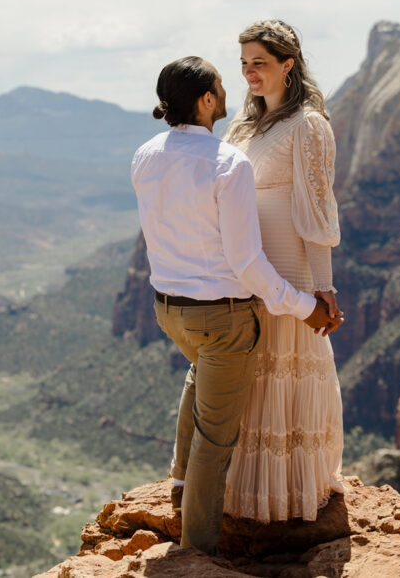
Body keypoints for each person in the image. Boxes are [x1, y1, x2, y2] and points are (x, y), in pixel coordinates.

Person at [131, 56, 343, 555]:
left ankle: (179, 485)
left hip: (168, 309)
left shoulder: (145, 155)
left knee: (199, 374)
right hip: (221, 315)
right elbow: (248, 265)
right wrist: (303, 306)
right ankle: (196, 549)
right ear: (206, 100)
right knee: (217, 438)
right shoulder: (228, 163)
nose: (231, 87)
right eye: (222, 84)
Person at [221, 19, 346, 522]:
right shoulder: (243, 125)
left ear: (287, 64)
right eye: (245, 64)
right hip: (245, 268)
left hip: (289, 266)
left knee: (286, 374)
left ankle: (290, 495)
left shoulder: (309, 125)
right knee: (250, 380)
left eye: (261, 63)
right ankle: (247, 497)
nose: (251, 73)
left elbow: (317, 210)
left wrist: (322, 286)